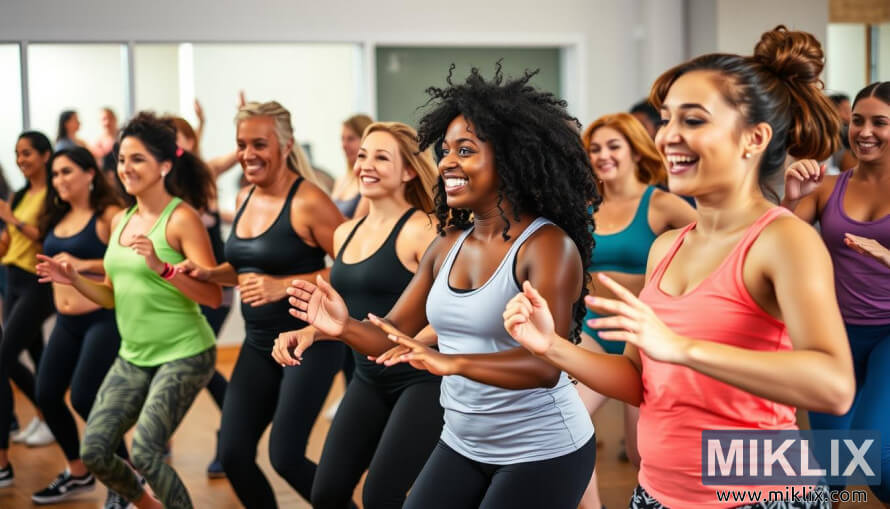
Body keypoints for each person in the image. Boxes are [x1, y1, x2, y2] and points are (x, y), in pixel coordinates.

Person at [502, 26, 855, 509]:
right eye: (666, 120)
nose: (668, 136)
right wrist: (550, 346)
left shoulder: (783, 240)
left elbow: (833, 387)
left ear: (754, 138)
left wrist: (683, 348)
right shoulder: (666, 246)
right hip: (658, 494)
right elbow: (635, 378)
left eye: (692, 120)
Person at [288, 65, 599, 509]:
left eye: (465, 150)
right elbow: (393, 334)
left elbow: (545, 364)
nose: (448, 162)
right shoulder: (448, 244)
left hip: (541, 448)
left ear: (509, 160)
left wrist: (451, 361)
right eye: (446, 150)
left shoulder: (547, 246)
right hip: (463, 443)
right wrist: (343, 327)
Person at [36, 112, 221, 509]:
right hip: (134, 355)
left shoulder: (182, 219)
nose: (125, 168)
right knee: (95, 450)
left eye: (137, 158)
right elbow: (111, 295)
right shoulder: (122, 219)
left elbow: (212, 297)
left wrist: (163, 267)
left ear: (165, 165)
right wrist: (73, 278)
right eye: (121, 159)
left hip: (184, 352)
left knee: (147, 452)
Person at [176, 100, 343, 508]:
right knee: (233, 455)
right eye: (241, 144)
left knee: (285, 457)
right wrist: (211, 274)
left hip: (310, 344)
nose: (248, 154)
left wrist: (283, 286)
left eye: (259, 144)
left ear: (285, 146)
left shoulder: (309, 202)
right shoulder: (246, 196)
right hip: (258, 344)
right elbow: (245, 268)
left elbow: (355, 269)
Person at [273, 121, 442, 508]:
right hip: (367, 379)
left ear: (409, 170)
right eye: (363, 155)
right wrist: (309, 333)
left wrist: (412, 342)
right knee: (327, 494)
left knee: (381, 495)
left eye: (382, 157)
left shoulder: (422, 230)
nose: (365, 164)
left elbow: (450, 315)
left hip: (419, 383)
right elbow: (348, 318)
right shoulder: (344, 232)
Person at [576, 112, 696, 508]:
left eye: (613, 146)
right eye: (594, 148)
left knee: (644, 454)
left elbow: (715, 244)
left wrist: (651, 287)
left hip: (644, 340)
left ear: (633, 151)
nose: (602, 155)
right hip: (593, 329)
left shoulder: (661, 204)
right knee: (568, 423)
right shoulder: (584, 207)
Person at [782, 81, 890, 504]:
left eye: (879, 122)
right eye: (857, 120)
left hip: (887, 335)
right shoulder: (828, 187)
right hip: (834, 335)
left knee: (878, 459)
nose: (864, 131)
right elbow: (778, 243)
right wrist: (792, 198)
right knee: (831, 468)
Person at [30, 147, 129, 506]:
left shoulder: (109, 216)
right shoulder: (57, 217)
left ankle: (127, 479)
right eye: (55, 174)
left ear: (90, 174)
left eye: (66, 172)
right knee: (46, 394)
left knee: (87, 398)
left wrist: (80, 263)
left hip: (101, 320)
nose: (58, 180)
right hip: (65, 322)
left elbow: (126, 263)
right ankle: (78, 472)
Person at [0, 132, 57, 489]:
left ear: (45, 155)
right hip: (13, 277)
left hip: (37, 282)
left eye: (28, 153)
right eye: (17, 154)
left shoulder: (53, 194)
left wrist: (13, 220)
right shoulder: (20, 194)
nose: (22, 159)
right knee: (32, 352)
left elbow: (47, 237)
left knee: (3, 358)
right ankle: (46, 414)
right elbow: (11, 240)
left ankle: (2, 465)